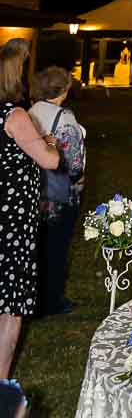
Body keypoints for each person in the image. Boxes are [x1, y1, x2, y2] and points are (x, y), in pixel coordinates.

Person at [0, 40, 59, 378]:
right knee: (10, 305)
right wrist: (48, 139)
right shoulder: (16, 116)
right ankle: (2, 381)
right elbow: (49, 161)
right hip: (12, 221)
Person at [30, 66, 86, 315]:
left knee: (35, 246)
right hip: (60, 194)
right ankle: (52, 299)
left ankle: (33, 295)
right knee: (57, 247)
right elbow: (75, 164)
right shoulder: (65, 119)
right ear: (64, 90)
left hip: (32, 191)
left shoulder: (29, 113)